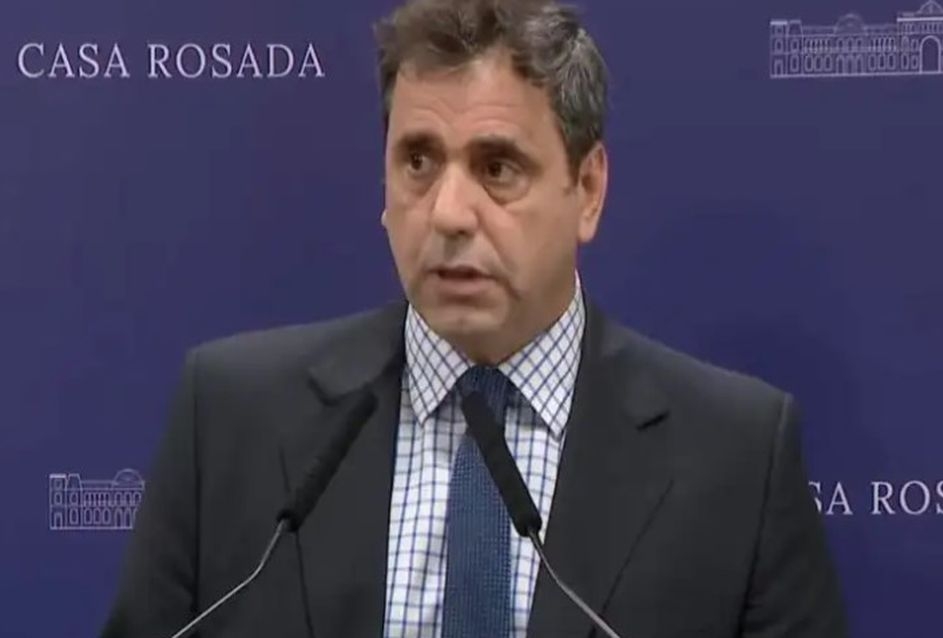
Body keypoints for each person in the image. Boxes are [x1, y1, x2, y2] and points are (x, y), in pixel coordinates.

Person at [101, 0, 847, 636]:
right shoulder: (231, 418)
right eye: (418, 163)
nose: (449, 214)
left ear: (588, 189)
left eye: (497, 168)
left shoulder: (737, 460)